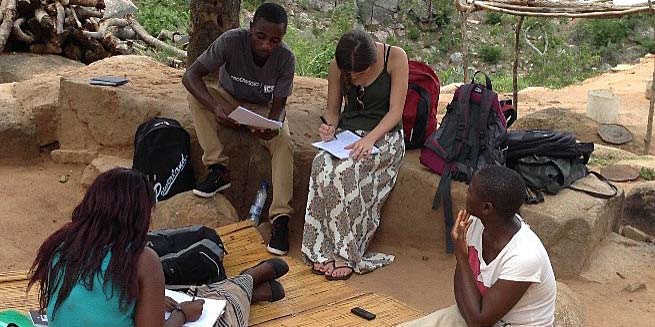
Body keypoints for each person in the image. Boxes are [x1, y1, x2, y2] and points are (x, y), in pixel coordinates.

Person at [28, 168, 289, 327]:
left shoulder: (62, 244)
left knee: (175, 293)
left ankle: (248, 284)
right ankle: (247, 284)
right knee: (216, 315)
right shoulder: (142, 260)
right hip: (174, 305)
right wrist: (181, 315)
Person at [182, 2, 296, 256]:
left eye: (275, 40)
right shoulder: (231, 41)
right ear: (251, 27)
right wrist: (214, 107)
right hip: (228, 99)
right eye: (261, 36)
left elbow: (279, 106)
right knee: (195, 98)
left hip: (263, 109)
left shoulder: (286, 59)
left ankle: (280, 219)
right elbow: (190, 76)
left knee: (284, 141)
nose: (267, 45)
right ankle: (218, 168)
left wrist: (272, 126)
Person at [301, 29, 409, 281]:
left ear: (372, 63)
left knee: (345, 171)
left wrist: (370, 139)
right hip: (348, 134)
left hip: (384, 136)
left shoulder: (395, 58)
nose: (353, 78)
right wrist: (328, 127)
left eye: (358, 74)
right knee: (321, 166)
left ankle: (347, 253)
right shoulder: (338, 67)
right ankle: (321, 249)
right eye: (349, 73)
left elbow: (395, 112)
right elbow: (333, 111)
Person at [399, 166, 557, 327]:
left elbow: (479, 322)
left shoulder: (524, 256)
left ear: (487, 208)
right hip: (473, 315)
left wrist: (461, 257)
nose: (466, 194)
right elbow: (464, 301)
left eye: (470, 191)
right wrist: (472, 308)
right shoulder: (474, 223)